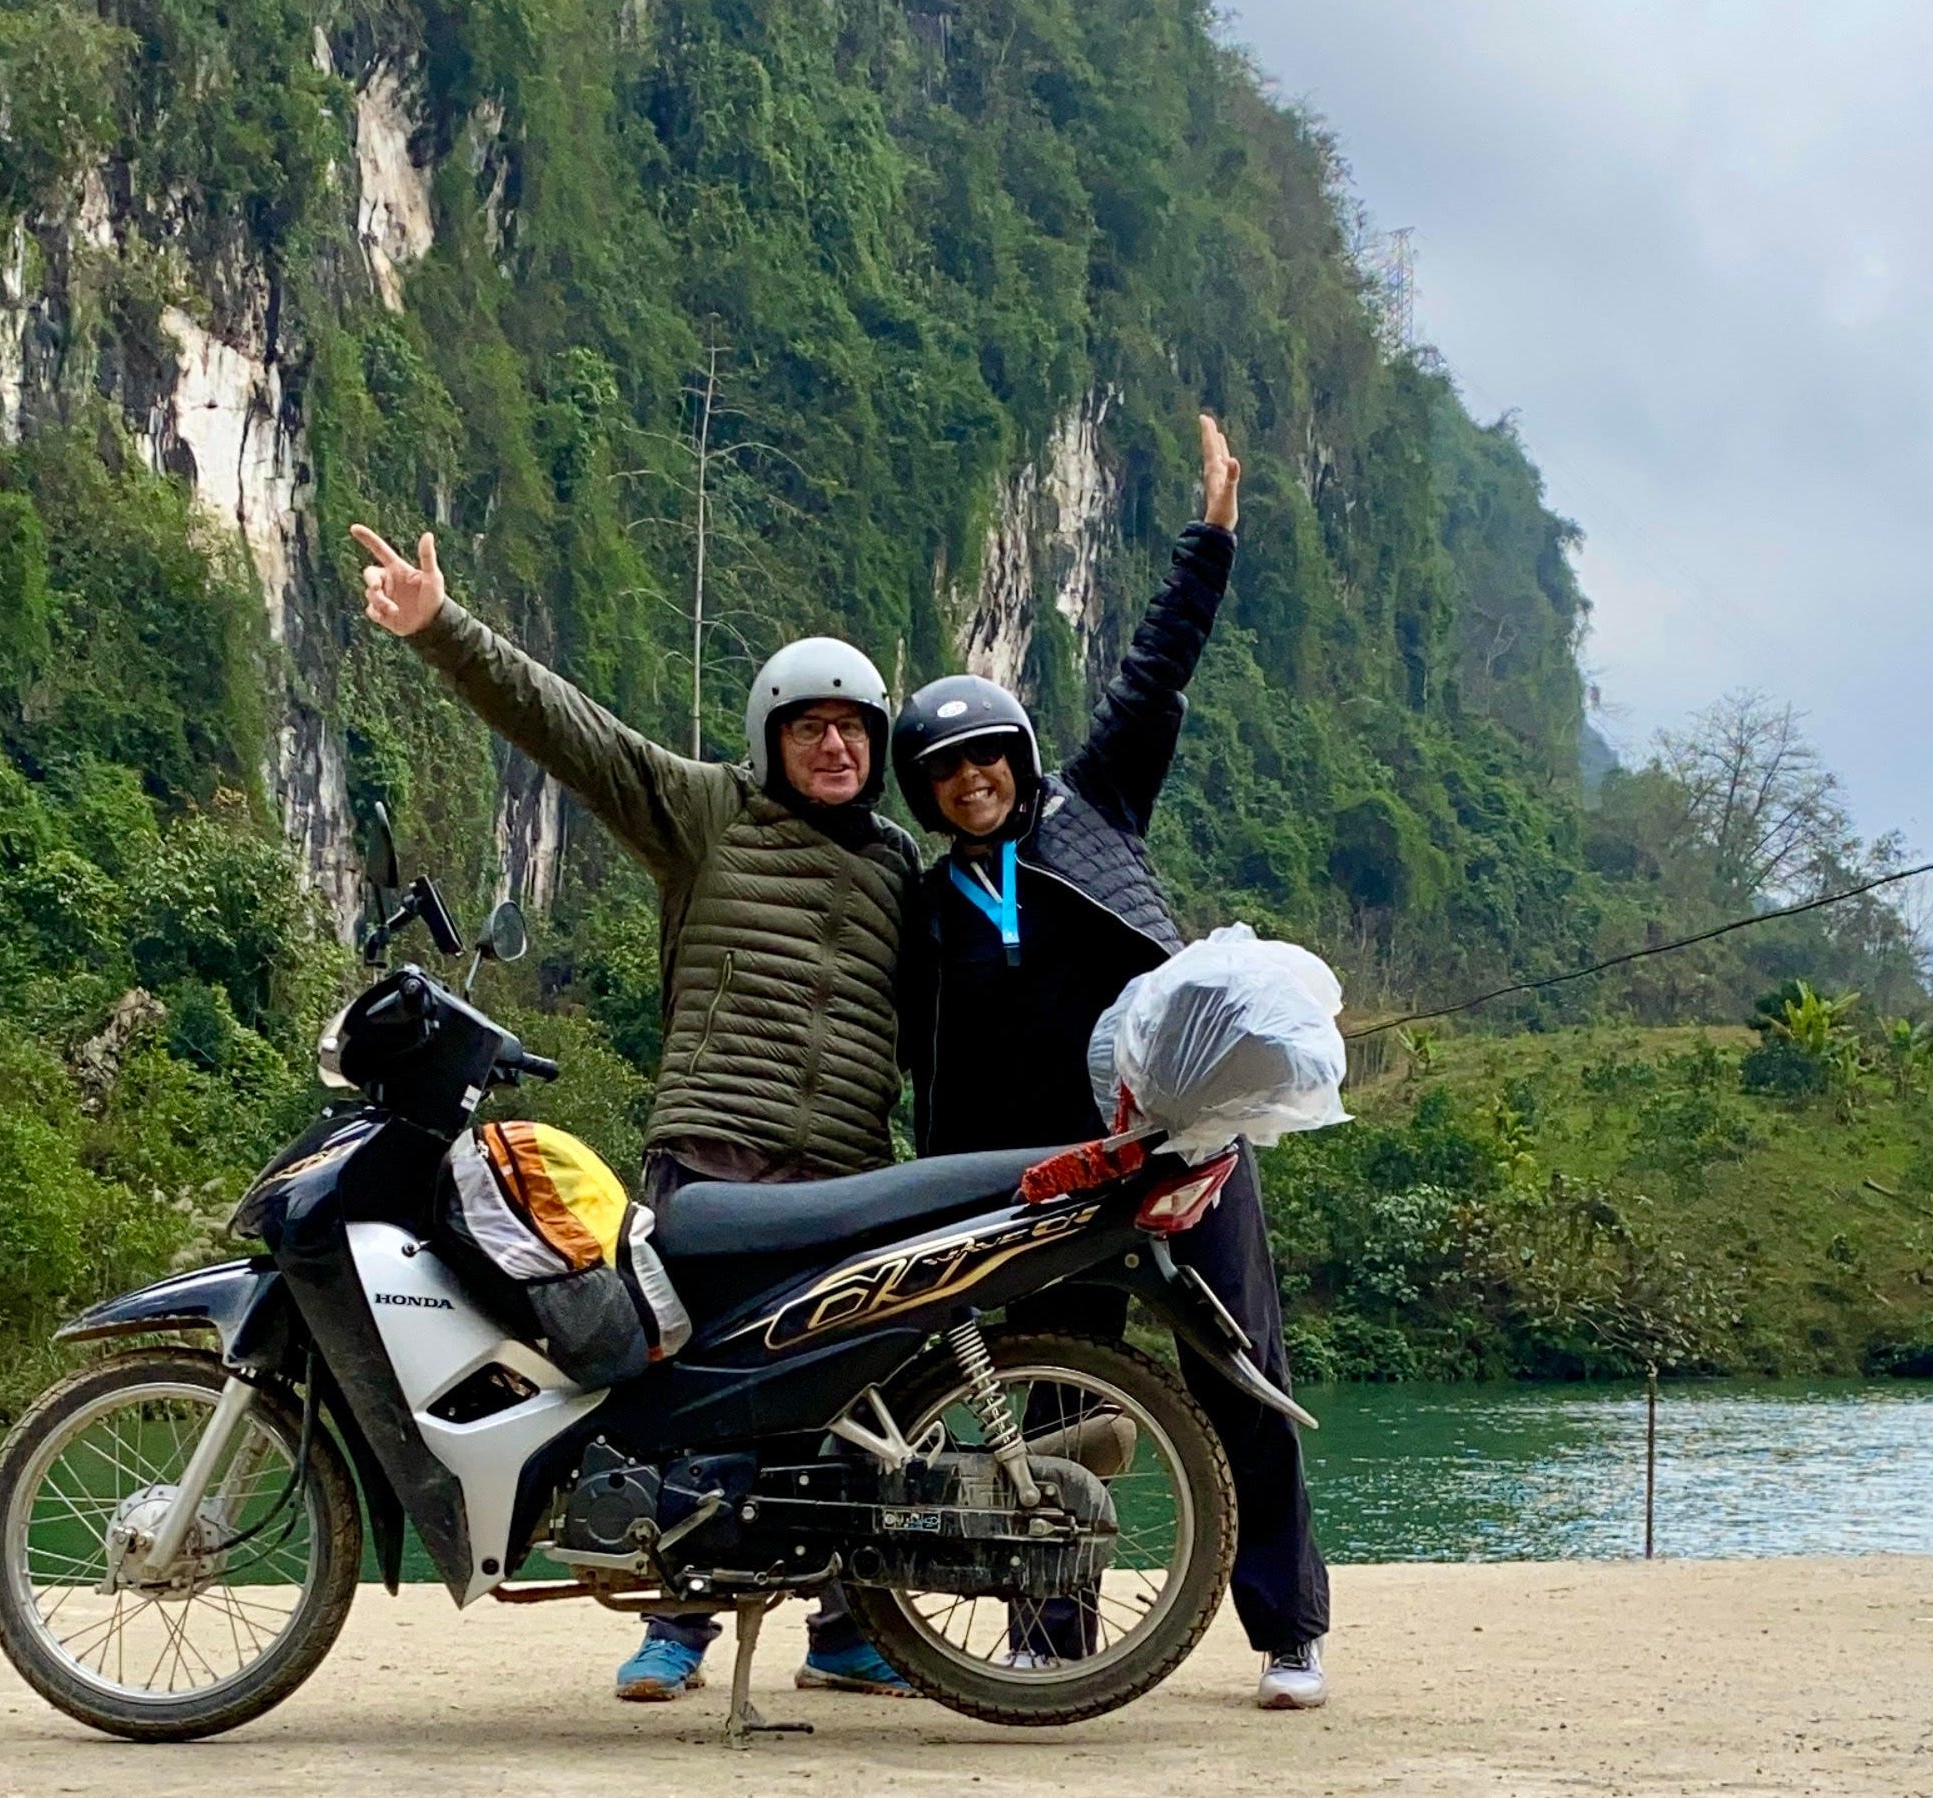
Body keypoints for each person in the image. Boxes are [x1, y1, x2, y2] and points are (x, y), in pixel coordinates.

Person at [352, 522, 918, 1703]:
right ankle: (677, 1624)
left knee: (850, 1395)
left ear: (877, 744)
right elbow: (572, 731)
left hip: (847, 1170)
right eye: (809, 727)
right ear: (771, 737)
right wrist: (440, 628)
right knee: (690, 1387)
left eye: (853, 728)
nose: (833, 745)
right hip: (716, 1155)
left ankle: (847, 1629)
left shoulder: (898, 868)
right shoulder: (708, 813)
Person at [889, 415, 1333, 1711]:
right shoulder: (924, 907)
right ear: (925, 791)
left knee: (1238, 1374)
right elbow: (924, 1060)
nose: (973, 778)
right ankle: (1050, 1628)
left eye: (988, 756)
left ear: (1020, 759)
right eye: (945, 770)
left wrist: (1212, 535)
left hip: (1177, 1152)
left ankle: (1288, 1629)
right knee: (1046, 1396)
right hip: (1042, 1176)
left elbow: (1154, 674)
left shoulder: (1094, 810)